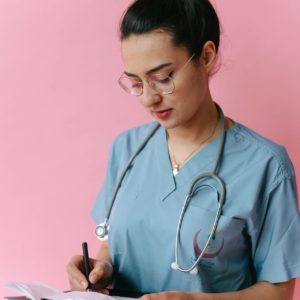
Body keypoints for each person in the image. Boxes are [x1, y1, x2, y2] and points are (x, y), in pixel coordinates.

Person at [66, 0, 300, 299]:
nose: (149, 99)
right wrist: (101, 270)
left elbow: (278, 290)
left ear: (206, 56)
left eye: (162, 79)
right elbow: (113, 245)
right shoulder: (126, 150)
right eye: (136, 83)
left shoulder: (265, 165)